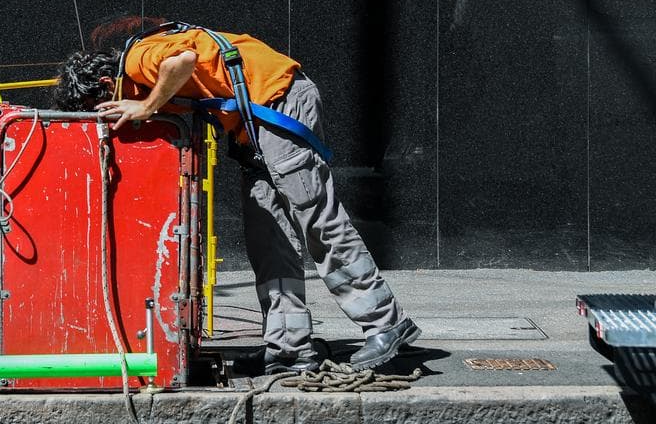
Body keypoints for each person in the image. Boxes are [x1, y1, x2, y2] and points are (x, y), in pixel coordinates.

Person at [52, 21, 419, 373]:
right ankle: (289, 347)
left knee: (317, 219)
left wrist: (146, 105)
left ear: (107, 85)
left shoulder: (138, 60)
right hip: (254, 127)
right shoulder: (142, 69)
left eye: (105, 110)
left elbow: (183, 60)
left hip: (279, 103)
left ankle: (386, 322)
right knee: (269, 237)